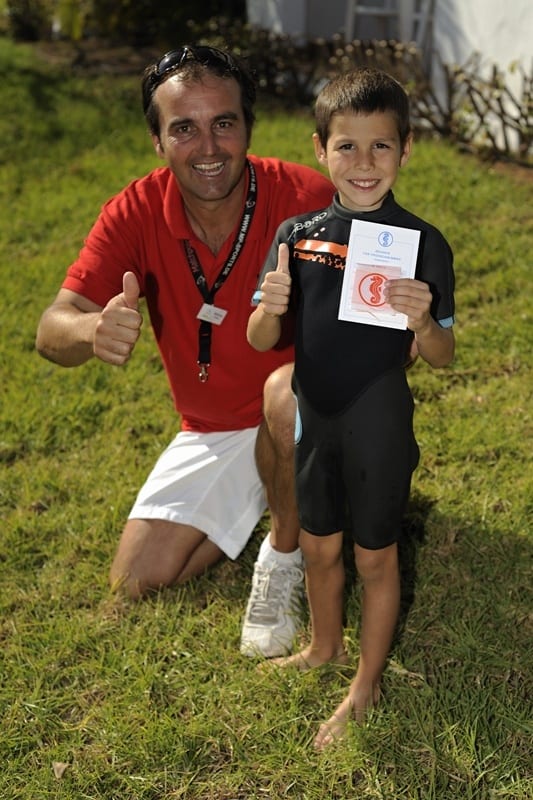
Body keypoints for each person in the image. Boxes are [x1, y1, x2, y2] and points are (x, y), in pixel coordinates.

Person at [35, 45, 334, 658]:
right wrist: (91, 333)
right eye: (184, 128)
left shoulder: (307, 197)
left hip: (305, 411)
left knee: (283, 397)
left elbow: (378, 314)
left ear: (248, 126)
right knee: (138, 576)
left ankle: (286, 550)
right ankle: (279, 498)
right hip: (216, 425)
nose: (208, 147)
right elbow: (50, 330)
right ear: (157, 139)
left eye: (224, 122)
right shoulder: (134, 210)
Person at [247, 67, 455, 748]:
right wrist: (269, 310)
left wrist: (423, 324)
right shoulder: (297, 234)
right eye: (347, 147)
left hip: (377, 421)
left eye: (380, 148)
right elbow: (260, 335)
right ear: (319, 148)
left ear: (405, 151)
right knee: (318, 545)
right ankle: (323, 646)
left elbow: (441, 355)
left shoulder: (422, 245)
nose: (363, 164)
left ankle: (364, 682)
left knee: (373, 557)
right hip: (315, 415)